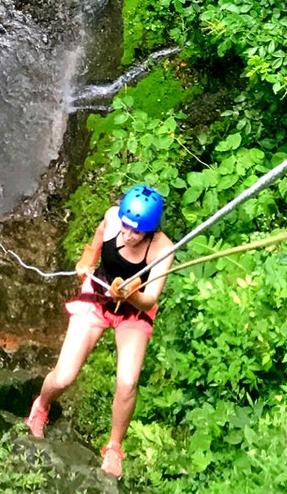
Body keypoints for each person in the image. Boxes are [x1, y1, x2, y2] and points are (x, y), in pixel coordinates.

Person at [24, 185, 174, 479]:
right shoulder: (113, 219)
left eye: (136, 232)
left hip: (133, 310)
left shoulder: (162, 250)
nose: (128, 235)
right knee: (65, 375)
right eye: (126, 227)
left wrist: (131, 294)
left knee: (128, 381)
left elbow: (150, 298)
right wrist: (87, 260)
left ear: (150, 230)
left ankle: (114, 448)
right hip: (97, 295)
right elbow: (98, 235)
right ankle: (41, 406)